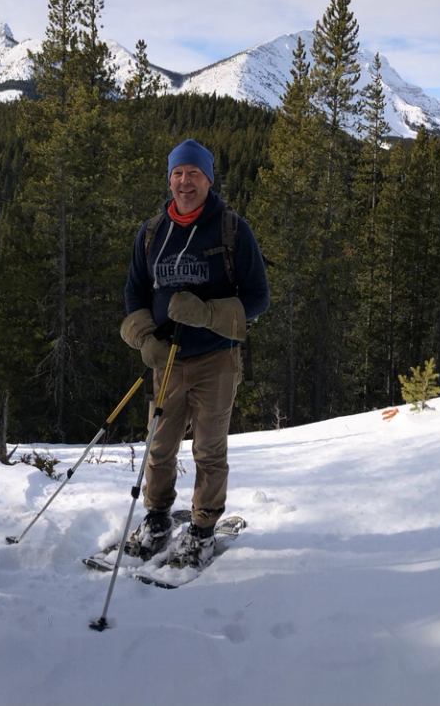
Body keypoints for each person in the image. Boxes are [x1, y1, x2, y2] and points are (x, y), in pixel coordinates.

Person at [118, 138, 268, 567]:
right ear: (169, 178)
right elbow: (134, 294)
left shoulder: (231, 230)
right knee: (158, 447)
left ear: (208, 178)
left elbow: (258, 298)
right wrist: (145, 338)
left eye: (194, 173)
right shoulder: (150, 234)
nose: (185, 182)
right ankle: (158, 518)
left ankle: (202, 528)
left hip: (215, 360)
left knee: (208, 449)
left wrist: (205, 314)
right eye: (178, 173)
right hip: (166, 360)